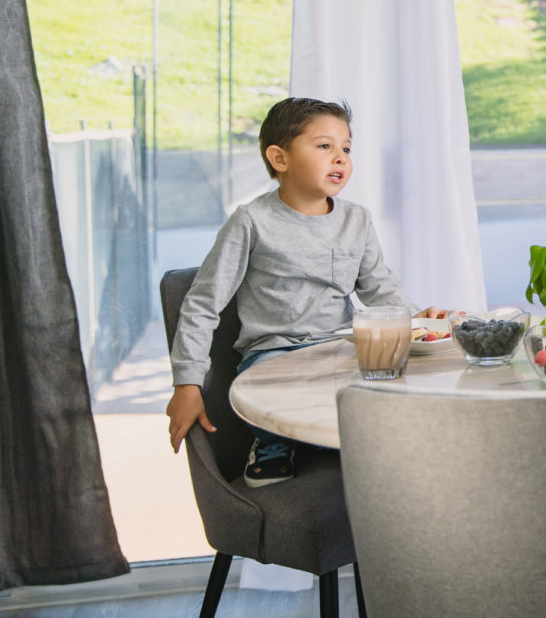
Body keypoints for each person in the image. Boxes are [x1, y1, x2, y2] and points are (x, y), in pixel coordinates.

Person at [164, 98, 445, 487]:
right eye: (324, 146)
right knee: (268, 388)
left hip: (340, 349)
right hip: (275, 354)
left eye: (346, 148)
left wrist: (416, 319)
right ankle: (273, 445)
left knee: (392, 388)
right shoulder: (251, 222)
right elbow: (201, 305)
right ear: (280, 158)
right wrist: (186, 384)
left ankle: (357, 444)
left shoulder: (356, 219)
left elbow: (381, 289)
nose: (340, 158)